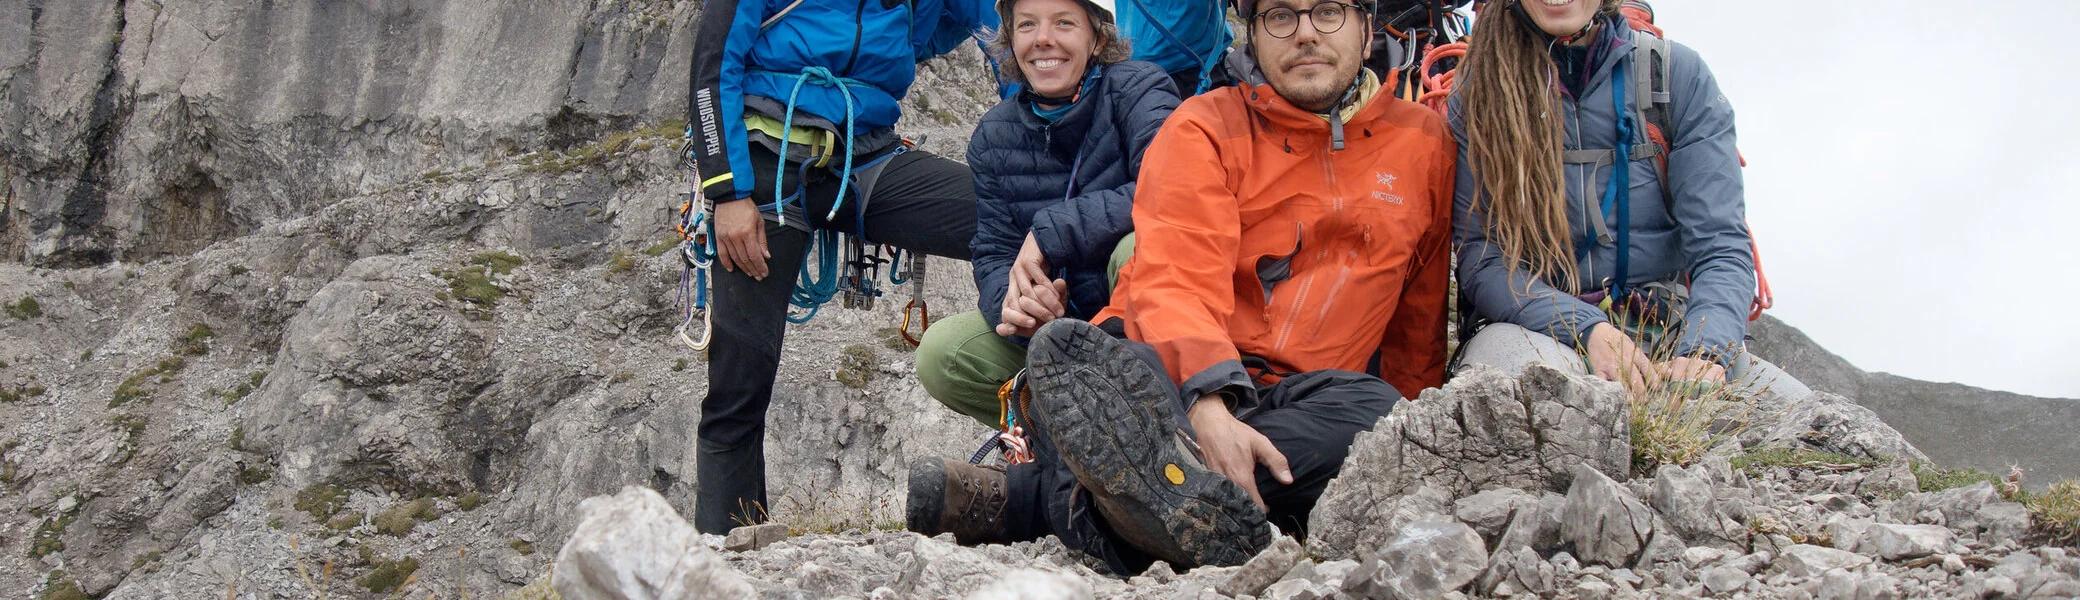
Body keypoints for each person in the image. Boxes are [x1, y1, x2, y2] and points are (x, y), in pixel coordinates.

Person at [907, 0, 1456, 573]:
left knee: (1378, 412)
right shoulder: (1206, 123)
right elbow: (1174, 271)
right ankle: (1181, 503)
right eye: (1280, 16)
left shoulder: (1423, 143)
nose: (1305, 34)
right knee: (1105, 373)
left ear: (1366, 29)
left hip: (1300, 395)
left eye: (1328, 11)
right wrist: (1208, 403)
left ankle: (1047, 501)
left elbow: (1418, 320)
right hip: (1172, 370)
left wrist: (1417, 447)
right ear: (1253, 33)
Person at [687, 0, 996, 534]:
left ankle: (1048, 446)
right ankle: (725, 551)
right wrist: (727, 191)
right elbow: (713, 64)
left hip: (867, 152)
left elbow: (1006, 24)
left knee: (1005, 216)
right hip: (765, 155)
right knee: (740, 382)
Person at [1448, 0, 1808, 400]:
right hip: (1536, 331)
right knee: (1522, 395)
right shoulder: (1479, 92)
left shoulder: (1674, 75)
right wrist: (1585, 327)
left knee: (1808, 424)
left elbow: (1720, 245)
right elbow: (1484, 259)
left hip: (1669, 332)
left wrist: (1705, 351)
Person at [913, 0, 1182, 429]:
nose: (1042, 39)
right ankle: (1071, 446)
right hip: (1063, 330)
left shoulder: (1140, 89)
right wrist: (1016, 304)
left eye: (1064, 23)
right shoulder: (993, 135)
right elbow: (995, 250)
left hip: (1146, 325)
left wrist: (1049, 233)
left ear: (1097, 38)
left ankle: (1170, 425)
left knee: (1138, 247)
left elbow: (1171, 190)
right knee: (942, 353)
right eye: (1026, 25)